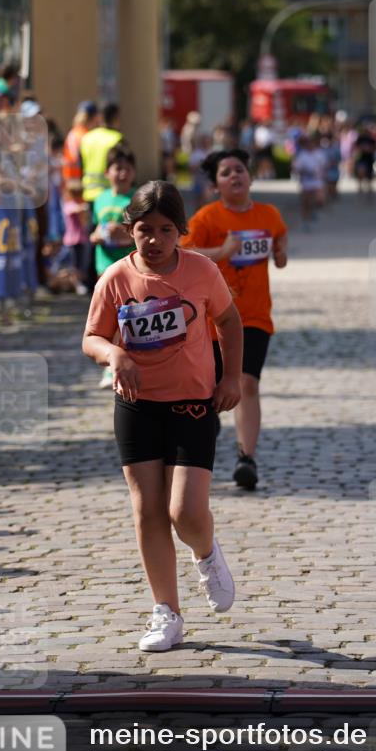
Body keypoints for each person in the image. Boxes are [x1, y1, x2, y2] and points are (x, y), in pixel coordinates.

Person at [82, 181, 243, 652]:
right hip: (136, 405)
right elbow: (91, 337)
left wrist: (231, 377)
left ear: (181, 232)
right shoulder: (114, 278)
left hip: (193, 402)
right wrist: (116, 355)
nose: (153, 240)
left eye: (165, 230)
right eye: (143, 230)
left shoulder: (201, 271)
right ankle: (166, 613)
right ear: (129, 230)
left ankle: (207, 554)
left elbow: (229, 321)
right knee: (148, 510)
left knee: (185, 512)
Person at [180, 148, 287, 490]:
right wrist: (221, 254)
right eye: (225, 173)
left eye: (240, 169)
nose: (235, 176)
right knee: (210, 391)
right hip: (213, 320)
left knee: (247, 383)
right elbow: (183, 252)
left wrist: (281, 251)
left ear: (251, 176)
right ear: (215, 185)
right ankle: (203, 445)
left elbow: (279, 235)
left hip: (254, 317)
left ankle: (246, 458)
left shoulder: (268, 214)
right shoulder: (207, 218)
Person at [90, 143, 138, 386]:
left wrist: (125, 235)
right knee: (107, 318)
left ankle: (127, 359)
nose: (122, 173)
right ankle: (111, 365)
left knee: (127, 315)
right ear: (107, 172)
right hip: (104, 266)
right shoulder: (100, 200)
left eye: (127, 168)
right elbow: (94, 230)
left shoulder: (138, 199)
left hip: (129, 266)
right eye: (117, 168)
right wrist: (97, 236)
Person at [80, 102, 122, 204]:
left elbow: (80, 165)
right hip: (110, 194)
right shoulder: (117, 139)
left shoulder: (87, 137)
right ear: (116, 118)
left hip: (88, 193)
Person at [292, 134, 323, 226]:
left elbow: (325, 165)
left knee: (319, 200)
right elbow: (296, 168)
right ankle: (305, 220)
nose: (311, 146)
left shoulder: (319, 154)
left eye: (312, 144)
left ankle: (314, 209)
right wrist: (303, 171)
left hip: (317, 181)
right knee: (305, 202)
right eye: (309, 144)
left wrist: (320, 172)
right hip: (306, 181)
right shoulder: (302, 155)